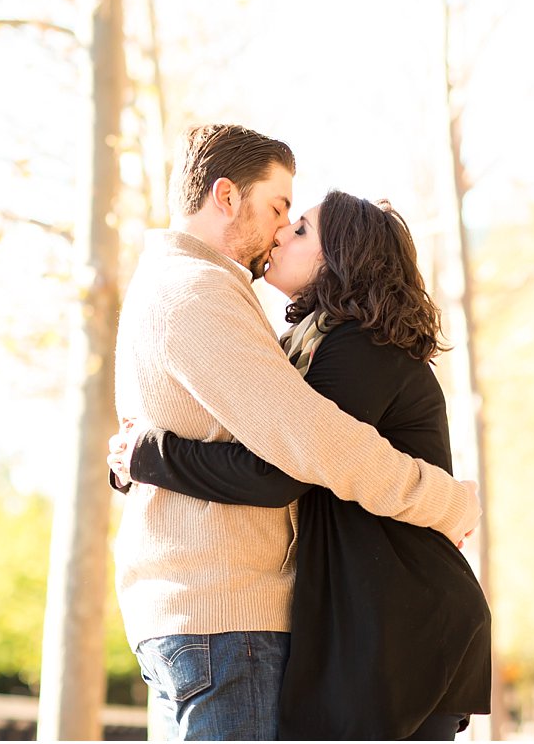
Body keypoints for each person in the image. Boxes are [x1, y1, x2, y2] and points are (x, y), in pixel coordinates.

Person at [111, 124, 481, 742]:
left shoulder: (327, 341)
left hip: (366, 629)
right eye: (281, 208)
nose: (283, 228)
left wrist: (146, 456)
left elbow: (284, 451)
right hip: (226, 618)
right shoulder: (199, 292)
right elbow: (300, 455)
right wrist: (450, 500)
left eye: (298, 222)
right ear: (228, 198)